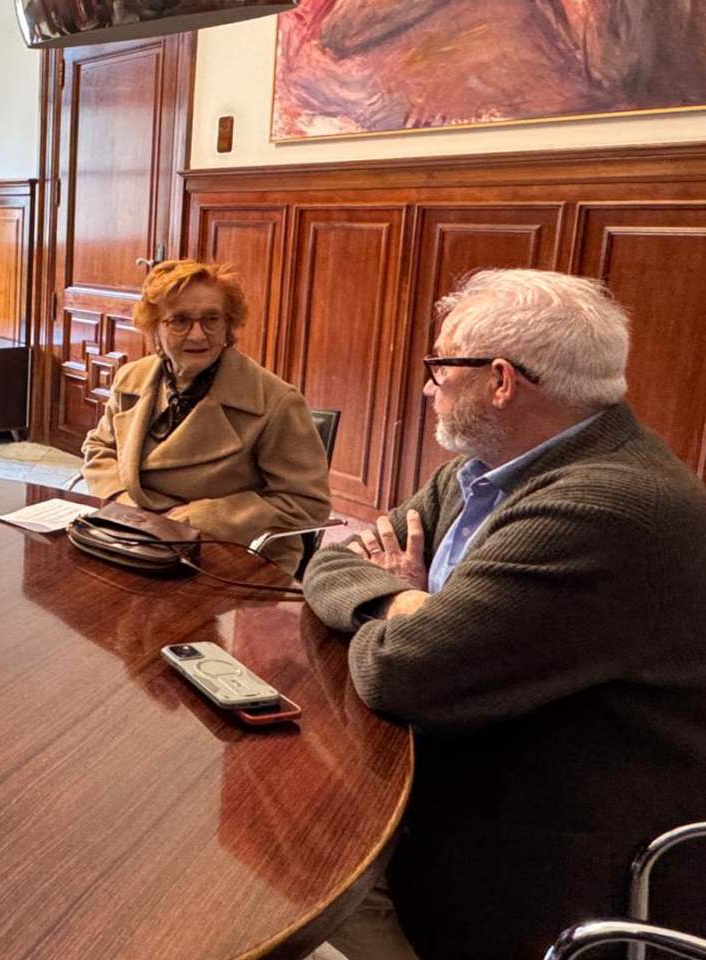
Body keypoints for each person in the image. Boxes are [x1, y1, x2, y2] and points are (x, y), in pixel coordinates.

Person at [303, 269, 706, 959]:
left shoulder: (602, 508)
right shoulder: (480, 470)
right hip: (472, 763)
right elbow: (331, 561)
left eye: (438, 366)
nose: (427, 386)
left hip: (536, 851)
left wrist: (420, 625)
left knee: (300, 852)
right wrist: (410, 602)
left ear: (499, 381)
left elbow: (402, 672)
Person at [80, 259, 331, 572]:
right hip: (135, 539)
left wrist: (190, 520)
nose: (198, 335)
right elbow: (100, 449)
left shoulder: (276, 402)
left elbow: (306, 503)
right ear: (155, 327)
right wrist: (123, 503)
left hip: (229, 554)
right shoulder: (130, 378)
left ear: (229, 325)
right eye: (180, 321)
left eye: (211, 319)